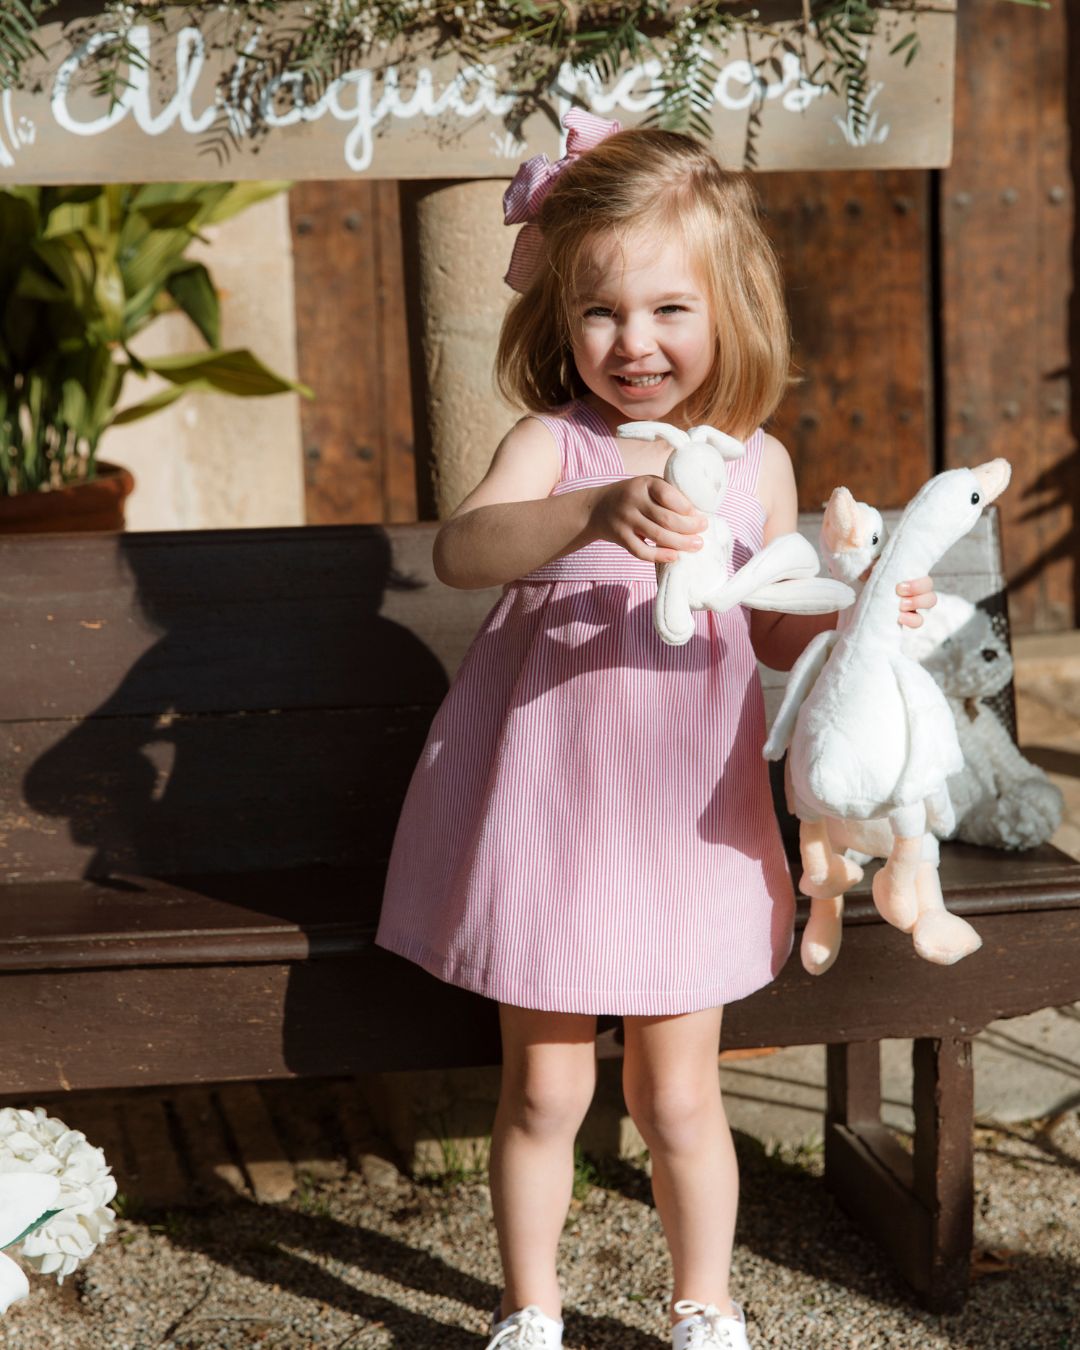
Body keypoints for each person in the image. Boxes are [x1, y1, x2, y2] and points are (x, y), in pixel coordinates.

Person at [375, 110, 936, 1350]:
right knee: (544, 1085)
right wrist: (586, 514)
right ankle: (529, 1311)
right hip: (552, 821)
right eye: (601, 314)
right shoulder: (556, 447)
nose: (634, 345)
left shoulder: (759, 468)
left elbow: (776, 632)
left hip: (690, 825)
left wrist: (863, 615)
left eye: (669, 311)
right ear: (558, 321)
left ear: (731, 308)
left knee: (680, 1094)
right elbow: (462, 550)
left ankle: (706, 1303)